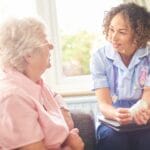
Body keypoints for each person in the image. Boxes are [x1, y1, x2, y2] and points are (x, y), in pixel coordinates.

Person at [0, 17, 84, 150]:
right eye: (45, 41)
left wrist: (66, 134)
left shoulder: (35, 82)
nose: (51, 46)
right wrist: (71, 146)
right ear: (28, 54)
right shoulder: (13, 97)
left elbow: (56, 100)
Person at [90, 2, 150, 150]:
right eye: (111, 30)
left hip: (143, 115)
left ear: (138, 34)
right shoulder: (99, 57)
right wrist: (116, 114)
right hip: (112, 117)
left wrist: (142, 108)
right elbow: (104, 104)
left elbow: (147, 96)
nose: (113, 38)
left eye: (122, 32)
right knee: (112, 139)